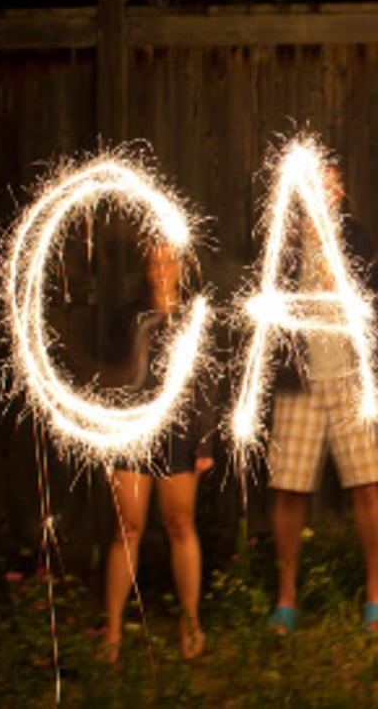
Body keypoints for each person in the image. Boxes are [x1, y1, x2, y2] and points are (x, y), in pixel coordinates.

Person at [265, 166, 378, 635]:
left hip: (349, 383)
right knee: (289, 489)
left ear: (342, 191)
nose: (327, 190)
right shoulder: (286, 243)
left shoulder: (358, 240)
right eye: (317, 182)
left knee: (367, 485)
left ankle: (376, 593)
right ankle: (286, 598)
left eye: (333, 182)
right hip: (298, 383)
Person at [100, 243, 215, 663]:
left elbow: (205, 382)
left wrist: (206, 441)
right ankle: (112, 630)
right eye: (155, 261)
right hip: (133, 432)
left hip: (179, 434)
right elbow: (112, 379)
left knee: (180, 525)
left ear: (182, 267)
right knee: (126, 527)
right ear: (146, 268)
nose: (163, 268)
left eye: (170, 260)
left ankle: (191, 623)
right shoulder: (128, 317)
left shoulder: (194, 318)